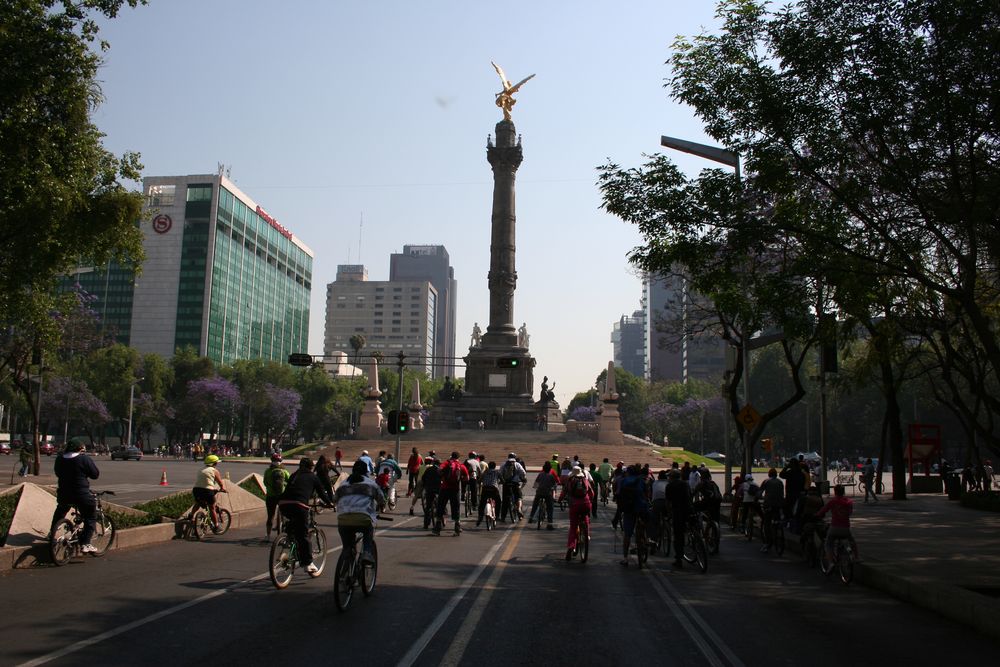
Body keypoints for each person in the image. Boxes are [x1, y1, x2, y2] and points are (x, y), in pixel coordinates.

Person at [278, 458, 334, 574]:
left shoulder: (294, 475)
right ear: (311, 467)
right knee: (303, 534)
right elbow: (322, 493)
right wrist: (330, 503)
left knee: (293, 527)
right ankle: (308, 563)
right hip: (299, 505)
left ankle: (288, 539)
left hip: (283, 504)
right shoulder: (313, 477)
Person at [50, 442, 100, 553]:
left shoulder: (59, 459)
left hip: (63, 493)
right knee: (90, 517)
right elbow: (95, 474)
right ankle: (86, 543)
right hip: (81, 494)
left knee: (60, 511)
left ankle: (52, 533)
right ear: (80, 449)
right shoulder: (84, 459)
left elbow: (58, 473)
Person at [335, 461, 385, 564]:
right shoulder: (371, 484)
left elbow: (334, 499)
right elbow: (381, 499)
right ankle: (366, 552)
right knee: (368, 531)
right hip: (363, 518)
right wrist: (381, 506)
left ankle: (344, 567)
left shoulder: (343, 484)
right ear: (366, 471)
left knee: (347, 547)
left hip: (343, 520)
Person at [815, 484, 859, 562]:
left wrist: (817, 515)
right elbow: (850, 512)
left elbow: (823, 511)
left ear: (835, 492)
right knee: (852, 541)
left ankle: (831, 561)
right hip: (846, 528)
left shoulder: (832, 502)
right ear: (843, 492)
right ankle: (856, 557)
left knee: (828, 543)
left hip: (834, 527)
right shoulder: (849, 502)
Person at [617, 465, 650, 567]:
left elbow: (619, 495)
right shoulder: (641, 481)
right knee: (646, 522)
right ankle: (647, 539)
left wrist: (618, 512)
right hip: (641, 508)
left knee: (627, 534)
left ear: (628, 472)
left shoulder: (624, 480)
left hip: (628, 509)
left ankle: (625, 558)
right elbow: (647, 494)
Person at [561, 466, 595, 560]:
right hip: (586, 504)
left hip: (574, 505)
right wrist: (590, 500)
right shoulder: (585, 480)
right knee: (586, 519)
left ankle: (571, 547)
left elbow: (564, 492)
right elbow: (591, 492)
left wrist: (559, 500)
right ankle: (586, 534)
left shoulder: (570, 481)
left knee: (573, 527)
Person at [435, 452, 469, 535]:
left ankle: (437, 529)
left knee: (441, 506)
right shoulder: (461, 465)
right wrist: (460, 478)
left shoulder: (446, 463)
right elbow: (467, 478)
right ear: (458, 457)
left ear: (451, 456)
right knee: (456, 508)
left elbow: (439, 469)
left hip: (444, 488)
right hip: (455, 489)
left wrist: (442, 476)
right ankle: (457, 528)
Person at [193, 454, 228, 530]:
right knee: (212, 507)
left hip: (196, 490)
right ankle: (216, 526)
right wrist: (222, 488)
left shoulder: (201, 469)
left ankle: (191, 515)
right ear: (214, 463)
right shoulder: (214, 471)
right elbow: (220, 482)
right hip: (207, 490)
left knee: (198, 502)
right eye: (216, 463)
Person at [665, 469, 691, 568]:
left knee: (678, 535)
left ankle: (679, 558)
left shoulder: (670, 486)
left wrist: (668, 514)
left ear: (671, 477)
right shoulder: (685, 484)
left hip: (678, 512)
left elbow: (668, 502)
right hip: (689, 510)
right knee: (691, 526)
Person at [263, 453, 290, 540]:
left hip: (270, 496)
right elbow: (289, 482)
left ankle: (268, 536)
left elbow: (265, 482)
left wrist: (269, 487)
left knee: (270, 516)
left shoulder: (267, 471)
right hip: (282, 496)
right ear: (281, 461)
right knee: (284, 515)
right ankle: (283, 534)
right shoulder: (284, 471)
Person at [759, 468, 785, 553]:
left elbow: (760, 492)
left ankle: (768, 542)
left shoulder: (766, 481)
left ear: (769, 474)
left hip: (769, 505)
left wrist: (757, 498)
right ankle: (778, 526)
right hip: (779, 504)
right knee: (777, 518)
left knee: (767, 523)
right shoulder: (780, 482)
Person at [528, 460, 558, 529]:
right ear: (550, 469)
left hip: (539, 492)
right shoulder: (551, 476)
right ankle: (550, 524)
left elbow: (536, 483)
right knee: (550, 508)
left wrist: (535, 487)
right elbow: (554, 485)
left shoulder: (540, 474)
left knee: (535, 504)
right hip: (547, 494)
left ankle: (531, 517)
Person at [499, 453, 527, 522]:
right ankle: (519, 509)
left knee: (505, 501)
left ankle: (503, 517)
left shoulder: (503, 464)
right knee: (519, 497)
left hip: (506, 484)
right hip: (515, 484)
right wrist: (522, 478)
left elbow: (500, 473)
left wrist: (502, 481)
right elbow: (523, 473)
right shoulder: (517, 464)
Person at [477, 461, 503, 526]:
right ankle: (496, 516)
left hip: (485, 489)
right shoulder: (497, 472)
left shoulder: (485, 472)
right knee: (498, 501)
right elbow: (502, 480)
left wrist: (481, 483)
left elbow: (479, 480)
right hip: (494, 489)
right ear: (495, 466)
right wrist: (499, 483)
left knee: (482, 503)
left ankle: (480, 516)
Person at [420, 456, 442, 528]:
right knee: (440, 505)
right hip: (438, 489)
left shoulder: (428, 469)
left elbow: (423, 478)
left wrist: (425, 485)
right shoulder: (440, 470)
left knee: (428, 507)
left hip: (429, 489)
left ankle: (426, 523)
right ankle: (439, 521)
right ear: (439, 464)